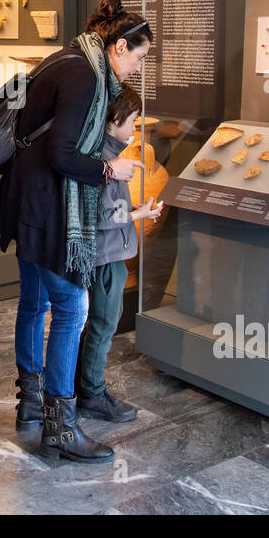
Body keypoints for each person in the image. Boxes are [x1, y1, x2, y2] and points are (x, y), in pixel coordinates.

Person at [0, 0, 153, 463]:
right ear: (120, 46)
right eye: (140, 56)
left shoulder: (66, 58)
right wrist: (110, 171)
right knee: (71, 307)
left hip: (24, 198)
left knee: (34, 300)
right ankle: (61, 427)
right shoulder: (87, 77)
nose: (138, 69)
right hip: (47, 207)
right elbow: (64, 155)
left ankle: (30, 405)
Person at [76, 83, 164, 423]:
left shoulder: (98, 152)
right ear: (115, 118)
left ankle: (83, 385)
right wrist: (137, 215)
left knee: (95, 324)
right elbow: (100, 215)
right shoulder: (107, 160)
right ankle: (93, 393)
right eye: (133, 121)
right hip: (107, 256)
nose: (134, 129)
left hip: (104, 252)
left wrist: (134, 209)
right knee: (103, 324)